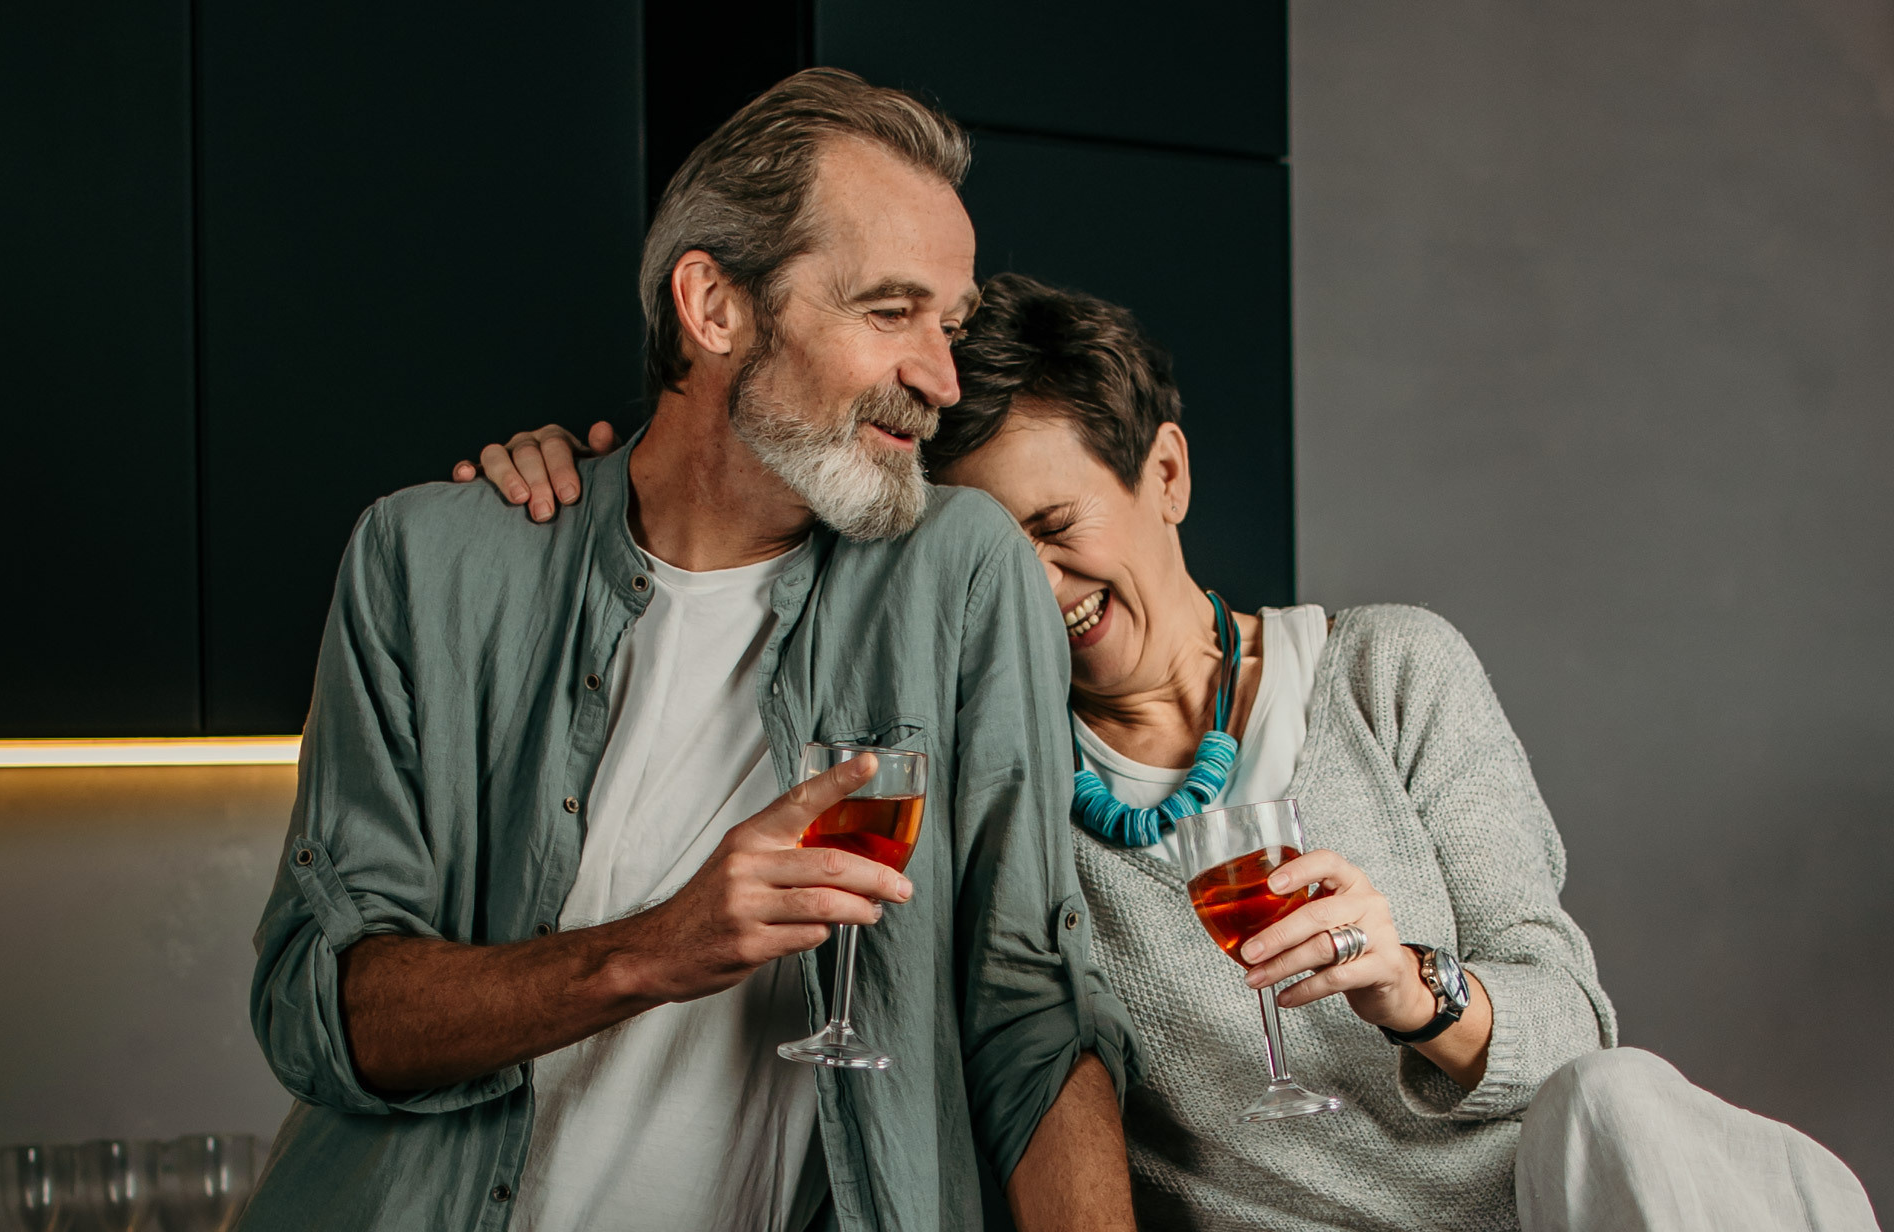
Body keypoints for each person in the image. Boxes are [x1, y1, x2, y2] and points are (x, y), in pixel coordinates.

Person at [465, 273, 1881, 1231]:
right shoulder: (990, 788)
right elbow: (717, 554)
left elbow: (1578, 1024)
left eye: (1055, 526)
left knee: (1625, 1106)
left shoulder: (1392, 671)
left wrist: (1409, 985)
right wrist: (566, 488)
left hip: (1554, 1206)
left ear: (1169, 476)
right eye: (981, 552)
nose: (1031, 587)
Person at [243, 74, 1142, 1232]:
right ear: (712, 306)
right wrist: (662, 944)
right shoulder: (430, 560)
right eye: (887, 313)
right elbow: (320, 1009)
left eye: (948, 323)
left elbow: (1030, 1004)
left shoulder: (958, 570)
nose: (939, 378)